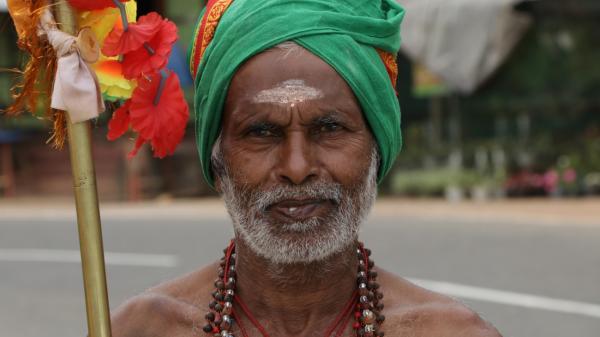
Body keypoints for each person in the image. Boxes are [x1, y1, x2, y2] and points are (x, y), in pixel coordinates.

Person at [111, 0, 503, 336]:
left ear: (377, 149)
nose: (297, 168)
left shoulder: (451, 333)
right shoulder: (143, 329)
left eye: (329, 128)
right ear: (217, 161)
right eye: (261, 131)